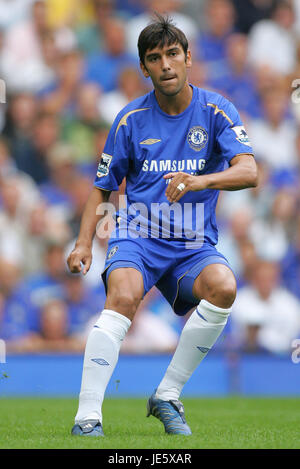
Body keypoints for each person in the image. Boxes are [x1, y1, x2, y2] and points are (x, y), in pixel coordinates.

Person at [67, 14, 257, 437]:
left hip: (192, 242)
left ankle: (167, 394)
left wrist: (201, 179)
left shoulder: (216, 111)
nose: (166, 65)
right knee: (124, 294)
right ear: (144, 67)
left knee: (224, 286)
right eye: (155, 58)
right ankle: (87, 417)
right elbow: (101, 188)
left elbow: (249, 171)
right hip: (139, 236)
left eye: (173, 54)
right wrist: (82, 244)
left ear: (188, 57)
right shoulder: (129, 120)